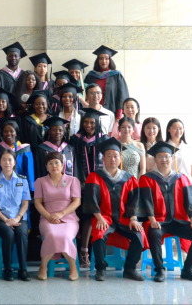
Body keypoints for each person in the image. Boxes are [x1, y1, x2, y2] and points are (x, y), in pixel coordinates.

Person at [139, 142, 192, 283]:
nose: (164, 159)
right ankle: (159, 270)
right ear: (155, 159)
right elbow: (146, 201)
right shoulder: (147, 178)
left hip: (179, 221)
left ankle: (188, 270)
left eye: (167, 156)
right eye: (160, 156)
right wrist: (152, 220)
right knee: (154, 233)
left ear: (172, 158)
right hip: (158, 221)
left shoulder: (181, 177)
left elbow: (190, 200)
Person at [82, 138, 146, 282]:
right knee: (99, 234)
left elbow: (134, 200)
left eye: (116, 156)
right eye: (109, 156)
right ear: (103, 158)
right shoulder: (94, 176)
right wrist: (99, 217)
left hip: (124, 218)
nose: (113, 159)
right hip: (103, 216)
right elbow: (91, 199)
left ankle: (130, 269)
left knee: (139, 235)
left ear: (120, 158)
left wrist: (133, 219)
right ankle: (101, 268)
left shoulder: (129, 178)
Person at [69, 107, 109, 267]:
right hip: (80, 184)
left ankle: (89, 253)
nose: (89, 125)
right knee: (83, 217)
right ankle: (81, 252)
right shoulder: (75, 139)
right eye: (86, 122)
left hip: (100, 185)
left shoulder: (104, 139)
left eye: (92, 122)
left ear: (97, 123)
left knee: (94, 216)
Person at [34, 151, 81, 281]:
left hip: (68, 219)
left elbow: (77, 202)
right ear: (46, 167)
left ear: (62, 165)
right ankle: (43, 266)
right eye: (50, 163)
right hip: (47, 218)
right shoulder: (40, 181)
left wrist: (61, 214)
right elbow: (38, 203)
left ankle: (73, 267)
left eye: (57, 163)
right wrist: (49, 216)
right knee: (52, 235)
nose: (54, 165)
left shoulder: (73, 180)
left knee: (65, 236)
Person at [0, 149, 31, 282]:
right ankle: (7, 269)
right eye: (4, 159)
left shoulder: (22, 180)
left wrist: (17, 218)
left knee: (22, 233)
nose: (7, 162)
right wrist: (6, 220)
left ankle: (23, 269)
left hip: (19, 218)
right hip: (0, 219)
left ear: (14, 163)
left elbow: (25, 204)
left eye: (10, 160)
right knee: (8, 234)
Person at [83, 45, 129, 120]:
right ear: (98, 60)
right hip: (92, 113)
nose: (104, 61)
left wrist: (118, 117)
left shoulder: (116, 76)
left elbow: (122, 96)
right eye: (101, 58)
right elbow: (85, 95)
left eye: (106, 58)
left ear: (110, 60)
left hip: (111, 113)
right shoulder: (90, 76)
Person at [0, 121, 35, 191]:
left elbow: (29, 171)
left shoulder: (24, 150)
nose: (8, 133)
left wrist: (30, 188)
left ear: (16, 133)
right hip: (1, 186)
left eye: (12, 131)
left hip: (20, 186)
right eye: (5, 131)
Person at [166, 118, 192, 189]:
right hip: (170, 187)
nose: (178, 131)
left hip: (187, 185)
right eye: (175, 128)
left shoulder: (188, 147)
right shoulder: (164, 147)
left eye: (180, 128)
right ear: (169, 129)